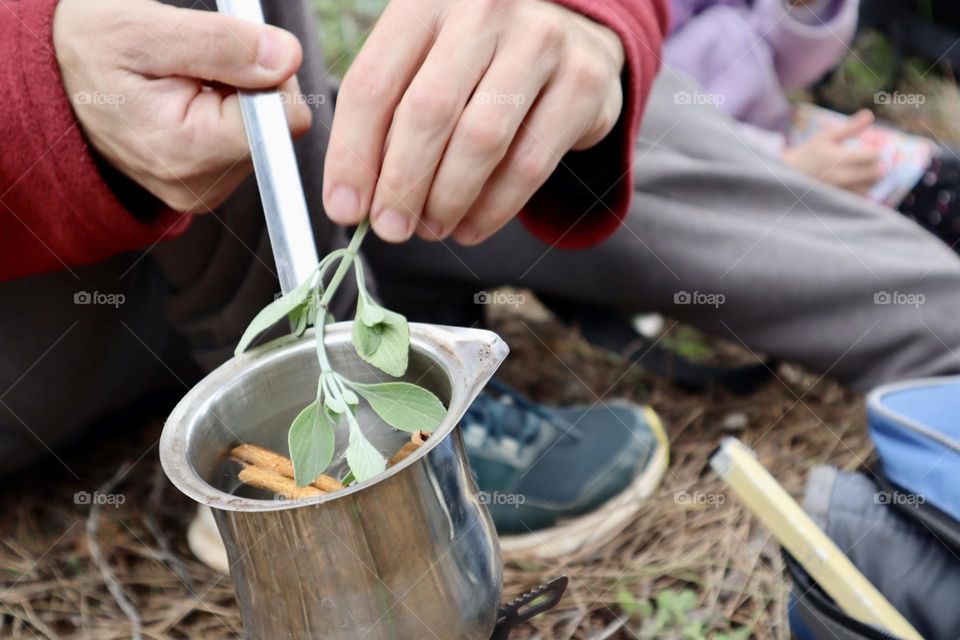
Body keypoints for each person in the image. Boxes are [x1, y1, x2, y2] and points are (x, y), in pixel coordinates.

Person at [2, 0, 960, 558]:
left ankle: (940, 329)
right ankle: (327, 448)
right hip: (41, 293)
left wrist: (584, 26)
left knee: (520, 109)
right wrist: (45, 93)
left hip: (271, 180)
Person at [665, 0, 960, 252]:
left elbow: (785, 65)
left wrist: (804, 10)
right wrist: (779, 173)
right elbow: (648, 144)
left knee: (936, 182)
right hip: (722, 188)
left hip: (784, 132)